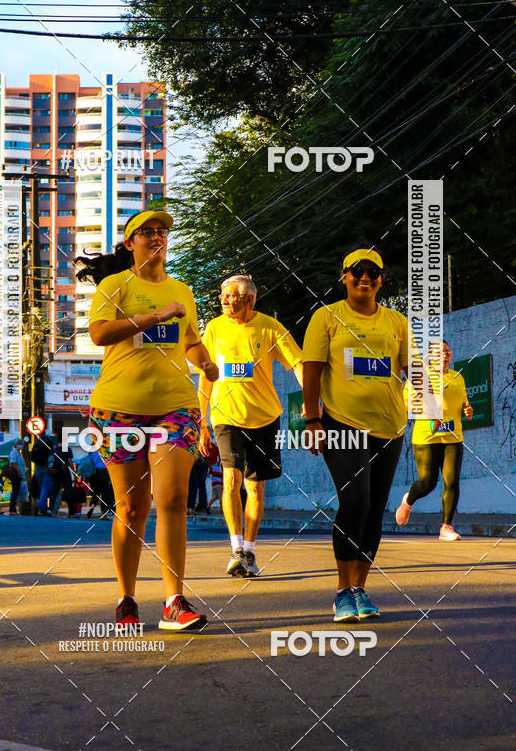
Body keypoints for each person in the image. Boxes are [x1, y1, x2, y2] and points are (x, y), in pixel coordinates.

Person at [77, 210, 219, 630]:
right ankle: (126, 601)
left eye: (162, 232)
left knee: (173, 498)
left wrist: (206, 362)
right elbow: (100, 333)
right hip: (119, 409)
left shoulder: (182, 291)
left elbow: (190, 340)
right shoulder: (114, 285)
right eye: (146, 232)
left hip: (176, 407)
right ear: (130, 244)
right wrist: (155, 316)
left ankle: (174, 602)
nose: (156, 237)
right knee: (132, 506)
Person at [303, 247, 410, 622]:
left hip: (390, 426)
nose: (365, 277)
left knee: (375, 509)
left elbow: (409, 368)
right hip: (340, 423)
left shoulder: (396, 321)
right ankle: (342, 591)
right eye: (357, 271)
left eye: (373, 272)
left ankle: (360, 588)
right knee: (355, 501)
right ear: (344, 277)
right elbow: (312, 370)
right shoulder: (327, 316)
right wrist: (313, 421)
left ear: (381, 280)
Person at [199, 275, 303, 578]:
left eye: (231, 295)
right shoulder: (215, 328)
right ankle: (235, 549)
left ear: (250, 299)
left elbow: (297, 362)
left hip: (265, 418)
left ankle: (250, 551)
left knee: (256, 489)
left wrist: (310, 402)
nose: (224, 299)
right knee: (230, 479)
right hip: (226, 417)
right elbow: (206, 374)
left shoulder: (270, 327)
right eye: (223, 294)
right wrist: (202, 421)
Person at [397, 340, 473, 540]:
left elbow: (464, 402)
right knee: (427, 482)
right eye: (441, 352)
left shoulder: (458, 377)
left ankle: (446, 527)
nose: (446, 355)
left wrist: (467, 409)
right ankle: (408, 500)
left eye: (448, 351)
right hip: (426, 438)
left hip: (453, 438)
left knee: (452, 481)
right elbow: (405, 404)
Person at [7, 439, 27, 515]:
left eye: (22, 444)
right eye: (19, 443)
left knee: (17, 492)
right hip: (15, 475)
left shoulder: (19, 453)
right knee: (15, 492)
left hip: (19, 476)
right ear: (15, 444)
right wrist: (18, 471)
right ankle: (12, 509)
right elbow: (13, 463)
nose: (21, 445)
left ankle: (14, 509)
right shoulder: (14, 452)